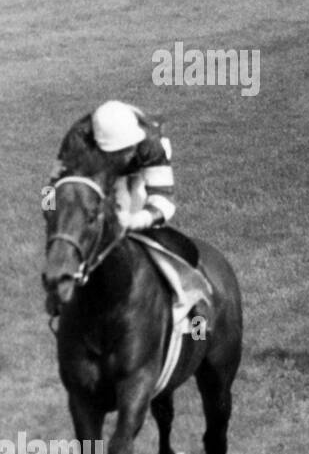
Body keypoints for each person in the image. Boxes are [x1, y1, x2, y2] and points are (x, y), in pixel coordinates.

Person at [47, 101, 205, 319]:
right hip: (97, 175)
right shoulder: (77, 139)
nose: (129, 153)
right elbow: (52, 187)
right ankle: (63, 288)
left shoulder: (147, 141)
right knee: (83, 231)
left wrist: (133, 221)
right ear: (102, 146)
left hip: (142, 173)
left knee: (140, 230)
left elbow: (164, 201)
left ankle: (193, 312)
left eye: (131, 147)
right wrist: (54, 214)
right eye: (122, 150)